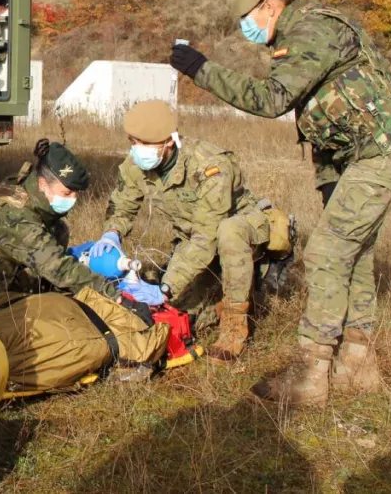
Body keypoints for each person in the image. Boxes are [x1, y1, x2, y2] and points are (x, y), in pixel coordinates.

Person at [169, 0, 391, 404]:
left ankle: (310, 373)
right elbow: (332, 109)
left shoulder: (310, 30)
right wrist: (332, 176)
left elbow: (272, 98)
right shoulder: (304, 29)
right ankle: (357, 362)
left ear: (269, 6)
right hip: (370, 153)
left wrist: (201, 69)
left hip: (386, 153)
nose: (246, 30)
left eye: (247, 18)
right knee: (356, 251)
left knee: (328, 250)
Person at [90, 99, 273, 364]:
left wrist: (167, 286)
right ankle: (223, 295)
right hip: (192, 242)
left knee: (228, 232)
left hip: (236, 232)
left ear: (169, 141)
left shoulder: (209, 165)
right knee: (180, 314)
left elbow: (208, 233)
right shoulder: (135, 165)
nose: (137, 150)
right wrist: (112, 233)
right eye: (132, 141)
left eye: (145, 144)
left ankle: (234, 325)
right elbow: (122, 205)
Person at [0, 138, 165, 306]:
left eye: (76, 193)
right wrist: (114, 294)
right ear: (43, 184)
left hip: (13, 274)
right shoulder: (15, 217)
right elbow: (58, 268)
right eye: (67, 193)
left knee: (59, 229)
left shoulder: (30, 187)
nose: (73, 199)